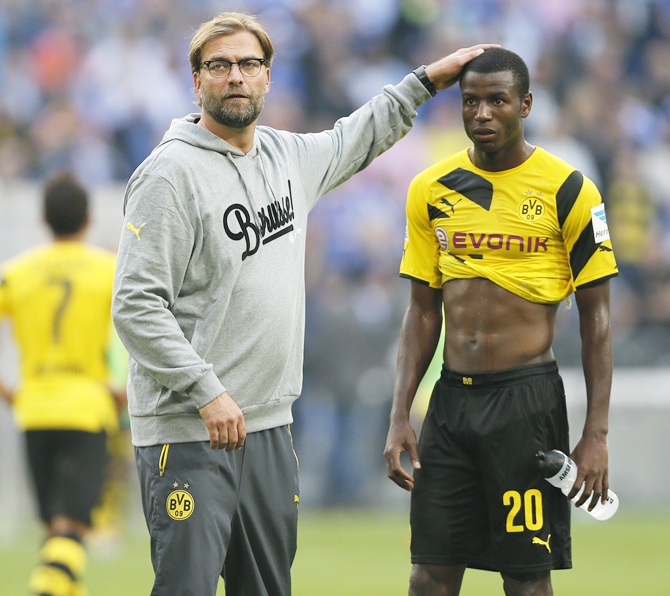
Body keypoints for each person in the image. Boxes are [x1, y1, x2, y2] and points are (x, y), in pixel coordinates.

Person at [110, 10, 496, 596]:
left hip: (268, 427)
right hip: (189, 430)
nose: (235, 76)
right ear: (197, 82)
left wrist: (424, 81)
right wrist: (204, 390)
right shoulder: (169, 176)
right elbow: (136, 305)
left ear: (268, 78)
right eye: (219, 66)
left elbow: (356, 136)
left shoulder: (287, 159)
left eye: (248, 64)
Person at [383, 48, 618, 596]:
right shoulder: (431, 189)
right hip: (451, 405)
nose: (482, 113)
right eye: (470, 101)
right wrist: (399, 415)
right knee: (429, 575)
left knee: (525, 577)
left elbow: (598, 323)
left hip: (526, 403)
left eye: (497, 100)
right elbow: (421, 311)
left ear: (526, 104)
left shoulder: (570, 191)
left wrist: (597, 436)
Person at [0, 172, 123, 596]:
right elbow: (145, 329)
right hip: (87, 408)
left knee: (57, 528)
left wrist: (8, 390)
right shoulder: (110, 270)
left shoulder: (16, 272)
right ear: (88, 219)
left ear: (43, 218)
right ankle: (43, 589)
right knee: (72, 526)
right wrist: (127, 390)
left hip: (33, 409)